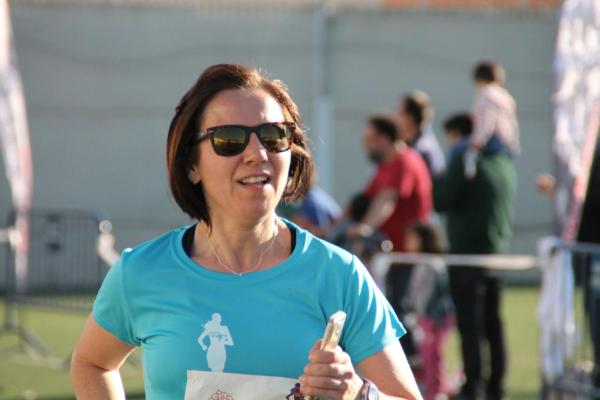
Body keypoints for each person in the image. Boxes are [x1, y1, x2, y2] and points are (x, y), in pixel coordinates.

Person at [70, 64, 422, 400]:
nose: (257, 153)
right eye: (229, 140)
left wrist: (358, 393)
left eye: (273, 136)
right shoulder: (141, 273)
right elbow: (91, 363)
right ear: (192, 164)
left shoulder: (340, 275)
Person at [434, 113, 516, 400]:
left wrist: (443, 173)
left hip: (466, 254)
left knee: (470, 324)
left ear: (458, 134)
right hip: (497, 253)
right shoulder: (503, 161)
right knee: (493, 323)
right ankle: (496, 387)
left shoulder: (467, 158)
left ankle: (474, 387)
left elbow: (441, 199)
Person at [350, 113, 432, 370]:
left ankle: (414, 366)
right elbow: (365, 198)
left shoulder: (404, 162)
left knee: (402, 311)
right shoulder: (386, 166)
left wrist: (365, 227)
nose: (366, 146)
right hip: (394, 255)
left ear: (385, 139)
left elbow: (387, 199)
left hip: (408, 255)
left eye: (370, 140)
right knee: (394, 307)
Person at [404, 222, 454, 400]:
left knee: (433, 357)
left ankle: (437, 391)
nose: (407, 241)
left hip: (434, 320)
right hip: (426, 319)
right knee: (427, 356)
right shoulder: (421, 263)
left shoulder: (431, 264)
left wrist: (421, 315)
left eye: (412, 237)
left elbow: (427, 295)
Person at [465, 61, 519, 179]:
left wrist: (477, 142)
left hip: (492, 141)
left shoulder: (487, 94)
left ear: (478, 79)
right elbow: (513, 124)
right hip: (506, 144)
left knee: (460, 150)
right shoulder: (506, 96)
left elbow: (487, 121)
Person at [397, 91, 446, 178]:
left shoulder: (422, 149)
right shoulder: (412, 143)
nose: (396, 118)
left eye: (400, 113)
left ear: (410, 118)